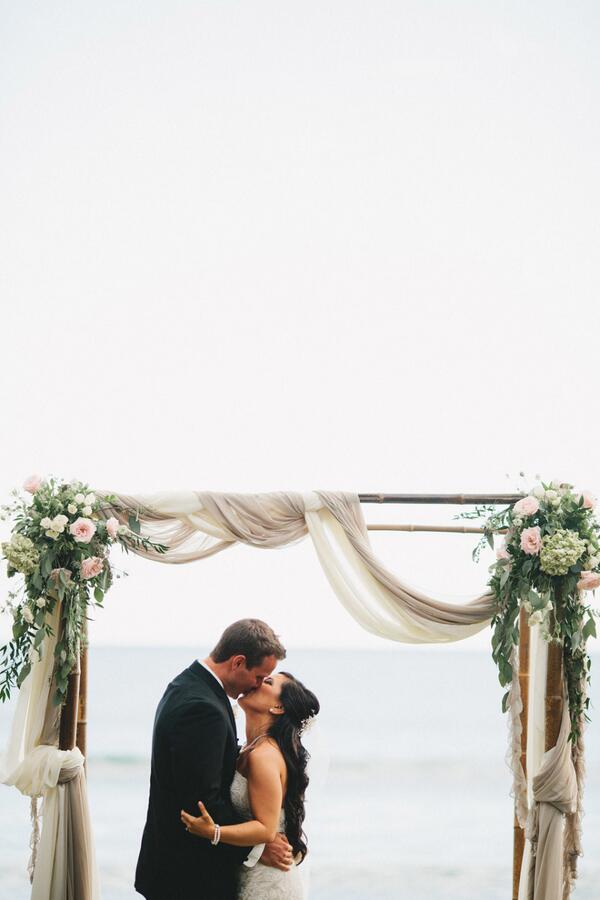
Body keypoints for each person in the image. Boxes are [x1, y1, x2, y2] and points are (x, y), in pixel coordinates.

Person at [135, 619, 293, 900]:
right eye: (259, 676)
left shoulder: (187, 684)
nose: (256, 686)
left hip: (175, 869)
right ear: (238, 662)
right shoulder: (203, 709)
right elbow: (201, 803)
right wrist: (257, 847)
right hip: (188, 878)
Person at [181, 670, 320, 900]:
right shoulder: (249, 749)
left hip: (270, 884)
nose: (257, 682)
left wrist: (213, 832)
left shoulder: (264, 756)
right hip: (249, 872)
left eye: (267, 681)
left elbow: (265, 829)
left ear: (278, 707)